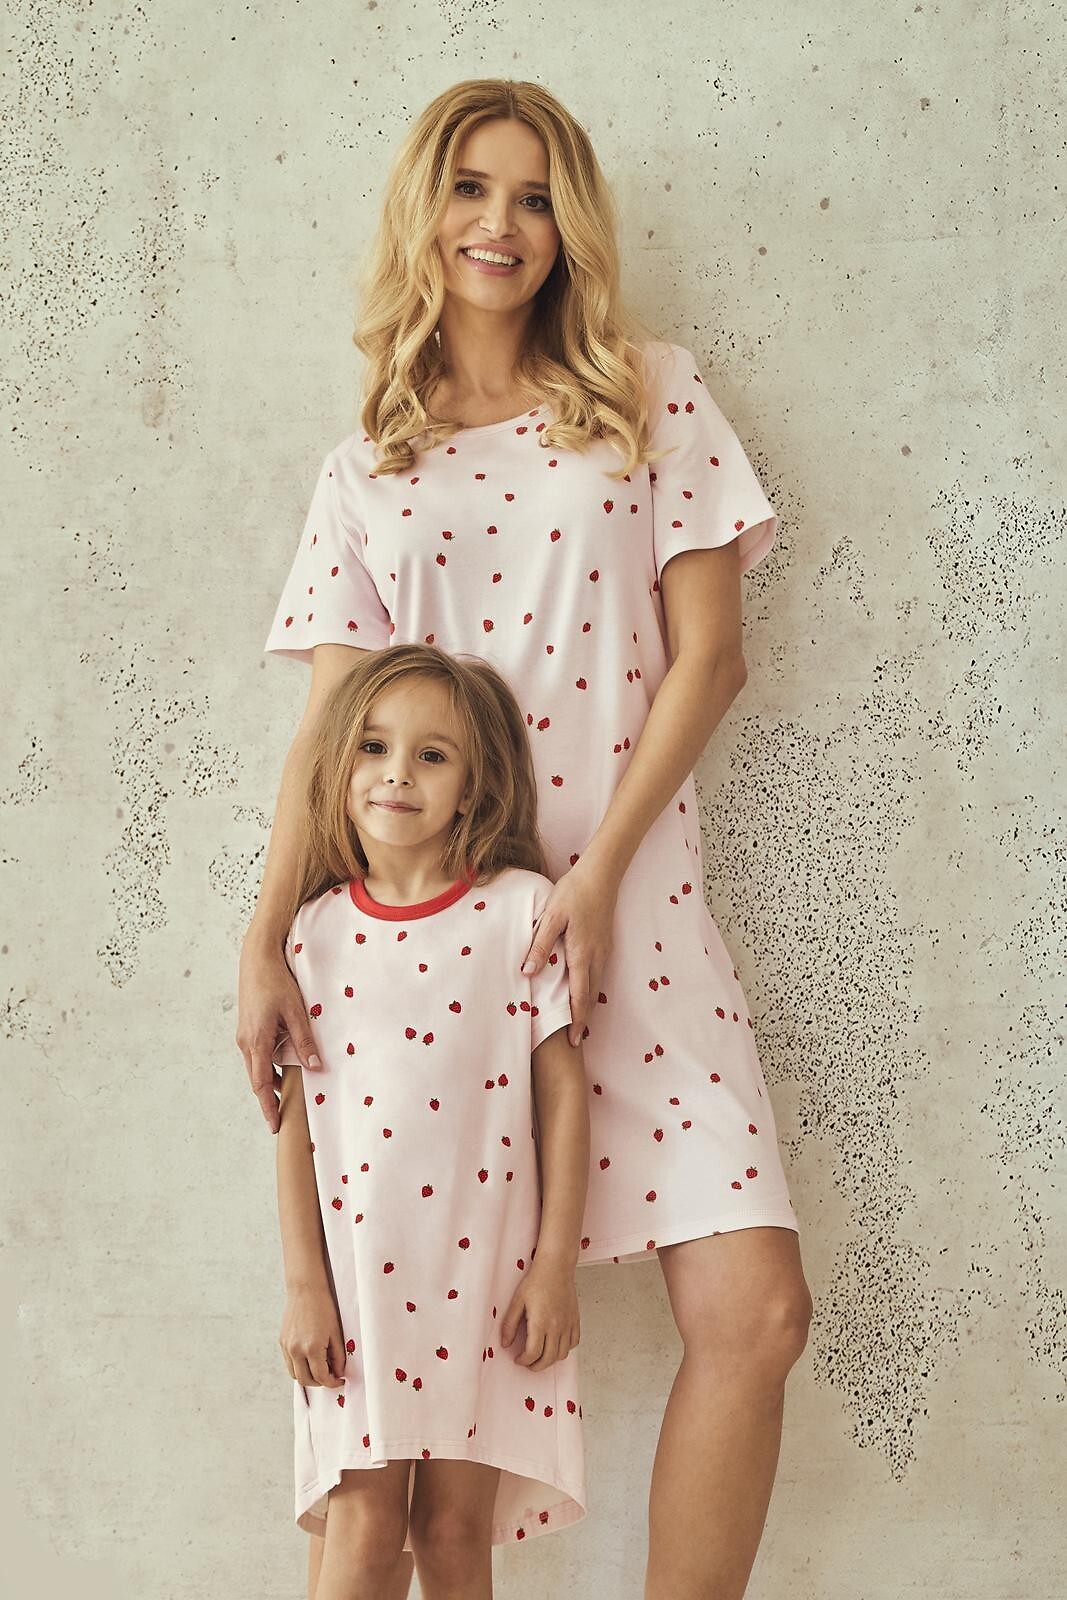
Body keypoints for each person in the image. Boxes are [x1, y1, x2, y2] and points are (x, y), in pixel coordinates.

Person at [240, 77, 813, 1600]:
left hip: (639, 921)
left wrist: (599, 875)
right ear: (422, 213)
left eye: (537, 195)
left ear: (571, 226)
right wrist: (261, 938)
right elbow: (329, 734)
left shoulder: (648, 392)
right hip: (437, 969)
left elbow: (710, 660)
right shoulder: (367, 464)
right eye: (471, 188)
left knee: (756, 1316)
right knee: (405, 1437)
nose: (502, 224)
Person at [272, 642, 589, 1600]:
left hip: (484, 1281)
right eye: (373, 747)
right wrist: (304, 1288)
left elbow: (562, 1099)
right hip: (355, 1289)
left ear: (474, 785)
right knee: (364, 1527)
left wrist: (554, 1266)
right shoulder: (312, 932)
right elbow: (294, 1129)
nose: (397, 773)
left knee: (454, 1534)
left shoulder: (521, 912)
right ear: (340, 764)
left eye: (433, 755)